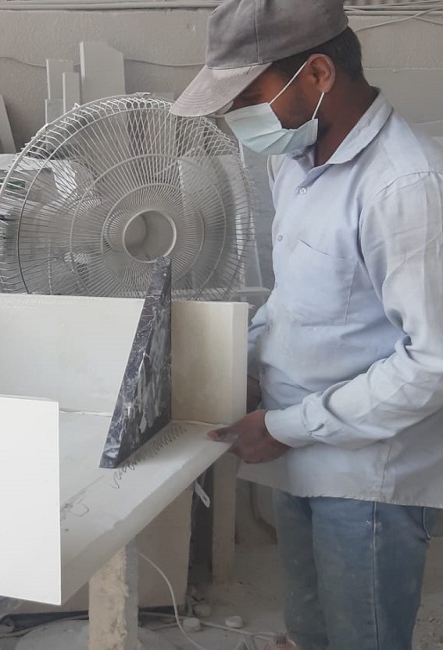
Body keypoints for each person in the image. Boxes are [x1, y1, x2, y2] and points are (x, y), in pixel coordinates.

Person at [171, 1, 443, 648]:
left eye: (249, 98)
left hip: (367, 479)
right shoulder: (294, 162)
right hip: (295, 454)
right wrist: (246, 364)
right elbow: (294, 299)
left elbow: (432, 362)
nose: (239, 119)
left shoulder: (404, 187)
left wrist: (285, 427)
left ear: (318, 73)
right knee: (309, 631)